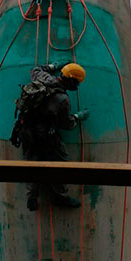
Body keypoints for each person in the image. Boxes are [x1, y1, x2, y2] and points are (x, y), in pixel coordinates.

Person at [20, 62, 89, 211]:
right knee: (60, 165)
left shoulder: (43, 78)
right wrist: (78, 116)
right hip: (46, 136)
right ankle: (59, 197)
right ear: (70, 80)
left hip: (27, 131)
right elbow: (66, 124)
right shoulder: (62, 99)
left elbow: (35, 69)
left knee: (31, 164)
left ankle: (31, 198)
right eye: (76, 83)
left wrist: (52, 66)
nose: (77, 86)